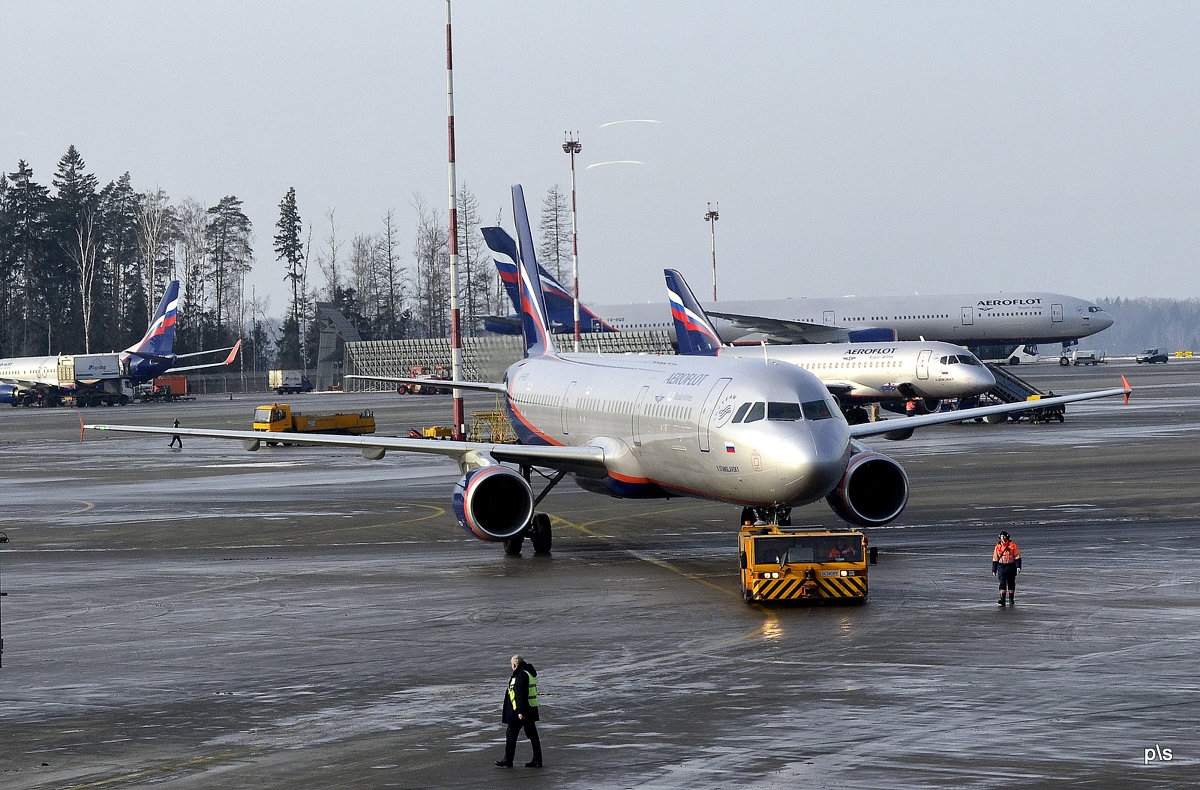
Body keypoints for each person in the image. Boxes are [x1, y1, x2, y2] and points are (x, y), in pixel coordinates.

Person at [496, 654, 542, 768]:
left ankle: (508, 760)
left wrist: (520, 712)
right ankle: (537, 760)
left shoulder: (520, 675)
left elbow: (520, 694)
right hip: (529, 710)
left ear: (514, 665)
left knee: (511, 735)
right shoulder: (527, 673)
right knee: (532, 736)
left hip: (520, 712)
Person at [992, 531, 1022, 606]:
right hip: (1001, 567)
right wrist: (994, 569)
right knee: (1002, 583)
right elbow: (995, 558)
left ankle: (1011, 599)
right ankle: (1003, 600)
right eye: (1001, 537)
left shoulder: (1012, 546)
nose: (1003, 539)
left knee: (1011, 583)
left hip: (1011, 567)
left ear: (1007, 537)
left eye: (1004, 537)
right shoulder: (998, 546)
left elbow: (1017, 557)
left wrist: (1018, 566)